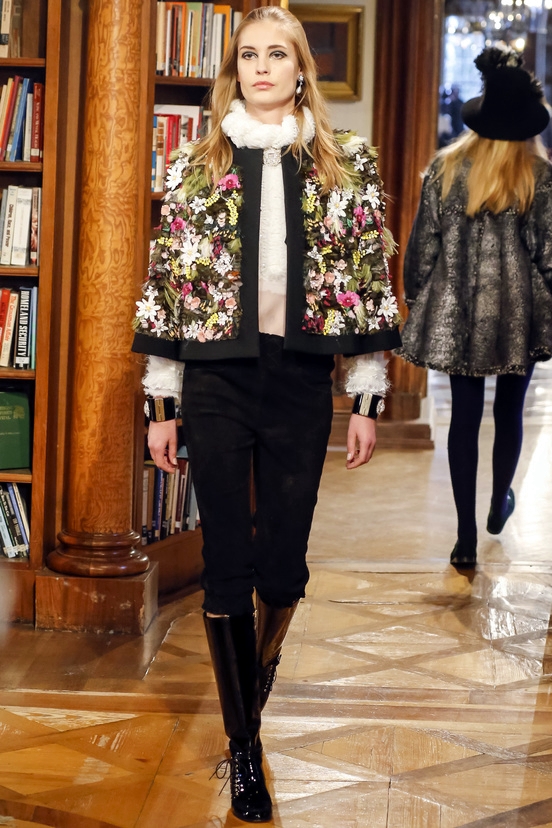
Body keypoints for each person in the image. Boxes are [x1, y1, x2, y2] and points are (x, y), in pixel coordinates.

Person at [132, 6, 401, 822]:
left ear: (299, 69)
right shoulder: (198, 164)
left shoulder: (346, 163)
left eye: (276, 54)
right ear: (235, 70)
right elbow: (168, 284)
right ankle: (244, 745)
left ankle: (252, 684)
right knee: (226, 563)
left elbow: (366, 278)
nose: (260, 67)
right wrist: (162, 403)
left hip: (300, 382)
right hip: (216, 380)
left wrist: (365, 397)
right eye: (247, 55)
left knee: (283, 569)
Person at [398, 46, 552, 569]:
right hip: (518, 315)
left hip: (456, 309)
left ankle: (464, 536)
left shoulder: (445, 170)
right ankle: (498, 501)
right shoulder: (538, 176)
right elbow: (549, 254)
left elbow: (423, 247)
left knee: (463, 419)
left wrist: (417, 299)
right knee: (510, 412)